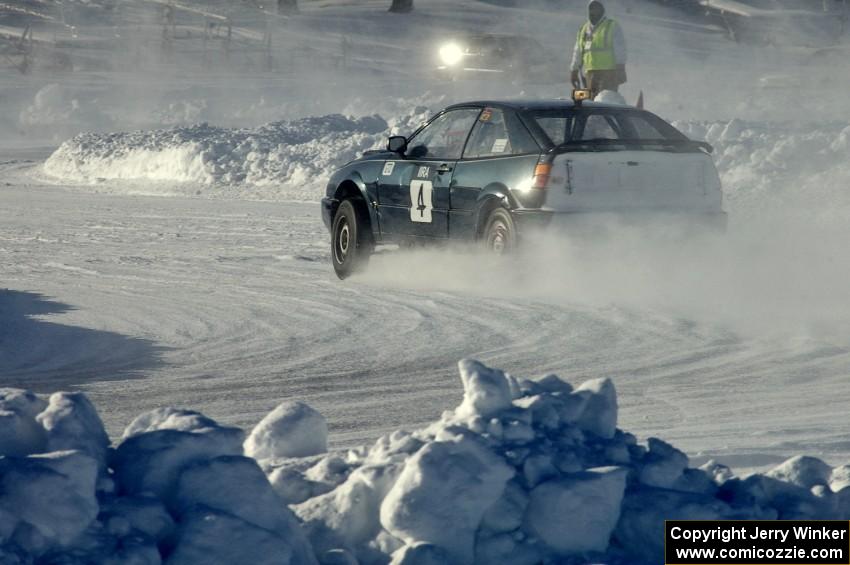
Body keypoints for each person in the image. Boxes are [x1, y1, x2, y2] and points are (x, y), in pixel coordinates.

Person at [570, 1, 627, 98]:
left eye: (597, 8)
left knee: (605, 100)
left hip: (609, 73)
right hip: (589, 74)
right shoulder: (583, 30)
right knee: (590, 101)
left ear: (603, 10)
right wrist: (574, 70)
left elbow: (620, 48)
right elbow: (578, 51)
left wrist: (620, 67)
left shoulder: (611, 26)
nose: (594, 11)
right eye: (591, 8)